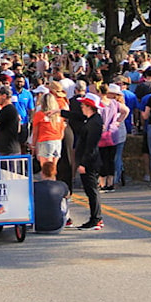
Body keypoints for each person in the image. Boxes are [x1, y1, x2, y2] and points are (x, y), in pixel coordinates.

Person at [75, 93, 103, 230]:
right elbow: (76, 116)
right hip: (88, 160)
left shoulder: (95, 123)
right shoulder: (91, 119)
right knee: (90, 190)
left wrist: (83, 164)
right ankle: (95, 217)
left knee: (92, 190)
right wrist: (60, 112)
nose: (81, 107)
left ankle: (96, 219)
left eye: (83, 105)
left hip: (90, 162)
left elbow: (91, 146)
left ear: (89, 106)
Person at [33, 161, 71, 233]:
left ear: (42, 173)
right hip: (57, 227)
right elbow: (68, 196)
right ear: (55, 173)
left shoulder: (34, 185)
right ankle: (67, 220)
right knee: (65, 198)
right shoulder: (62, 185)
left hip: (37, 227)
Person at [31, 93, 65, 169]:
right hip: (57, 141)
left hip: (45, 141)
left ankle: (47, 180)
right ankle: (53, 180)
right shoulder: (58, 115)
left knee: (45, 168)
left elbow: (35, 132)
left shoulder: (39, 115)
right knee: (53, 168)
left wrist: (33, 146)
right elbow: (62, 132)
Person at [0, 86, 22, 156]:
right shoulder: (12, 109)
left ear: (4, 96)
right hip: (10, 149)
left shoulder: (7, 110)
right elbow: (18, 130)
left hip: (7, 150)